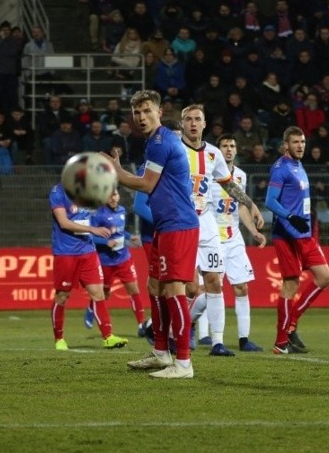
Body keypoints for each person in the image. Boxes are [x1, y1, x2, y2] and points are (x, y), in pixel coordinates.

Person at [110, 90, 199, 378]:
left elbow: (147, 185)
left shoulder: (161, 142)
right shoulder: (155, 143)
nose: (141, 117)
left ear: (159, 113)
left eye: (147, 111)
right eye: (137, 113)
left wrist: (115, 171)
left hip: (178, 225)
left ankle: (183, 363)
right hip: (165, 225)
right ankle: (161, 352)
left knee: (174, 290)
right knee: (155, 287)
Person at [181, 104, 263, 357]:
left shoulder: (213, 154)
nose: (193, 123)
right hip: (181, 222)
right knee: (190, 288)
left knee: (214, 282)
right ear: (182, 124)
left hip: (207, 223)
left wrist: (250, 204)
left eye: (198, 119)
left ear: (204, 124)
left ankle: (217, 342)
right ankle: (168, 328)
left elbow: (229, 185)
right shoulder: (175, 150)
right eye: (188, 119)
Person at [264, 126, 329, 355]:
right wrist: (290, 217)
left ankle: (292, 321)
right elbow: (270, 201)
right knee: (290, 285)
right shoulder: (280, 169)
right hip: (287, 234)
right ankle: (281, 341)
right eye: (295, 142)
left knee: (325, 278)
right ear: (286, 145)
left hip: (305, 234)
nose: (300, 146)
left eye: (302, 142)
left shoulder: (299, 165)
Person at [49, 183, 128, 351]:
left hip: (88, 252)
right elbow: (63, 223)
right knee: (62, 296)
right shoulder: (58, 192)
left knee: (98, 293)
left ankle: (108, 336)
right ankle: (59, 339)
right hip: (66, 252)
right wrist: (93, 229)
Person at [213, 134, 267, 352]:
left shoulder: (241, 176)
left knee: (242, 287)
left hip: (234, 237)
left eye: (232, 146)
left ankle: (244, 339)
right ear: (218, 150)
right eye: (224, 146)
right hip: (213, 238)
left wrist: (253, 231)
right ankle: (194, 327)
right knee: (208, 289)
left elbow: (241, 206)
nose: (228, 149)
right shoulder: (210, 174)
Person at [83, 190, 147, 337]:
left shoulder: (122, 211)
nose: (113, 197)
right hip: (106, 261)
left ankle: (141, 325)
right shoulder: (98, 215)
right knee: (103, 294)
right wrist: (106, 242)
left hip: (124, 258)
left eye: (115, 194)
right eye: (109, 195)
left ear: (118, 196)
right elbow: (90, 236)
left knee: (134, 290)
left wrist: (131, 237)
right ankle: (91, 309)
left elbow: (121, 232)